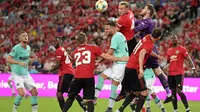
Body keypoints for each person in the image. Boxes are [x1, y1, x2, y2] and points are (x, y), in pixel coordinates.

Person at [116, 4, 174, 104]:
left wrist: (125, 26)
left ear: (148, 12)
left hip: (148, 50)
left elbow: (135, 29)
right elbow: (134, 22)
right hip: (151, 49)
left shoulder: (148, 22)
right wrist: (126, 17)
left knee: (135, 69)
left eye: (144, 8)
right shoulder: (144, 21)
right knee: (158, 72)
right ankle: (169, 94)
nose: (142, 9)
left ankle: (133, 94)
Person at [62, 32, 128, 112]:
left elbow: (83, 62)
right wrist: (121, 59)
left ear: (77, 41)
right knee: (90, 100)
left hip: (77, 77)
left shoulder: (75, 51)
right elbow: (106, 56)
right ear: (86, 39)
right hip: (88, 77)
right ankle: (100, 102)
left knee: (71, 97)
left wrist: (94, 62)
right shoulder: (93, 48)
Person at [115, 28, 163, 112]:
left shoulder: (147, 37)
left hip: (129, 67)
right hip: (135, 69)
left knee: (136, 92)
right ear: (159, 37)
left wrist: (157, 56)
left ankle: (120, 110)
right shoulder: (150, 45)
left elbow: (147, 51)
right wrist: (141, 69)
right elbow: (142, 53)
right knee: (144, 92)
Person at [94, 20, 129, 112]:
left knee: (114, 84)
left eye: (107, 29)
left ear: (113, 28)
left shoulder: (116, 36)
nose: (106, 31)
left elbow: (110, 53)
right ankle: (94, 99)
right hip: (117, 63)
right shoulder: (118, 35)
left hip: (121, 64)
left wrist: (100, 61)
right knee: (101, 77)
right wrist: (100, 61)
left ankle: (110, 108)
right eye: (105, 29)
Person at [49, 37, 87, 111]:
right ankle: (85, 109)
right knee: (74, 93)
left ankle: (64, 110)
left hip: (65, 74)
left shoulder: (58, 50)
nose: (54, 42)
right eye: (53, 41)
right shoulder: (63, 49)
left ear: (60, 42)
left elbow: (57, 65)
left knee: (59, 93)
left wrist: (51, 69)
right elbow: (70, 59)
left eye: (56, 41)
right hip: (72, 72)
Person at [6, 31, 38, 112]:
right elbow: (8, 59)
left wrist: (32, 60)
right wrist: (18, 62)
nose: (26, 37)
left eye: (26, 35)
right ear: (20, 38)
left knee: (35, 92)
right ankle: (14, 110)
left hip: (26, 74)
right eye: (23, 36)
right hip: (17, 74)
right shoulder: (16, 48)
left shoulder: (28, 48)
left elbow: (26, 60)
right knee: (22, 93)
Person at [166, 35, 198, 112]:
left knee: (179, 91)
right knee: (173, 92)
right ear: (170, 40)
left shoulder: (182, 49)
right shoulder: (169, 50)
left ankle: (187, 109)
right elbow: (168, 62)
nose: (173, 39)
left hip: (179, 73)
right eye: (172, 38)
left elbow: (189, 59)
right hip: (171, 74)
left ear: (178, 40)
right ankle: (175, 110)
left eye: (175, 38)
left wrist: (193, 68)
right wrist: (166, 67)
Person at [116, 1, 137, 99]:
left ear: (127, 9)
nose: (119, 10)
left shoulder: (122, 20)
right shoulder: (131, 13)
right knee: (131, 67)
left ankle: (124, 91)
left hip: (127, 44)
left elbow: (114, 32)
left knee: (124, 68)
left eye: (122, 9)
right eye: (119, 8)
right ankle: (130, 90)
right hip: (132, 40)